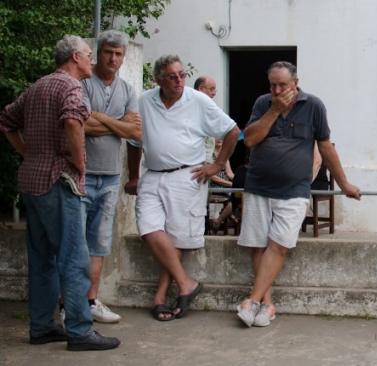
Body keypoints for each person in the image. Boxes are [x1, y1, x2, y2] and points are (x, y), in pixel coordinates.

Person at [0, 35, 120, 351]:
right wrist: (79, 162)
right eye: (88, 55)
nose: (92, 61)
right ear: (75, 57)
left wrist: (27, 152)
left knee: (42, 258)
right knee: (74, 258)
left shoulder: (38, 86)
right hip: (59, 180)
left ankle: (42, 327)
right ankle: (80, 330)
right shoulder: (71, 87)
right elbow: (71, 120)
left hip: (31, 181)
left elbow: (6, 120)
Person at [236, 61, 361, 327]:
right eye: (273, 85)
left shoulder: (313, 106)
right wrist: (274, 110)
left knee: (279, 244)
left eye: (283, 85)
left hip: (294, 189)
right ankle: (266, 305)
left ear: (295, 83)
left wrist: (344, 183)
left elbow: (326, 148)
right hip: (258, 185)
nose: (278, 90)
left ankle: (252, 300)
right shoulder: (263, 103)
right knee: (258, 245)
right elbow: (249, 139)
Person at [127, 55, 239, 321]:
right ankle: (187, 284)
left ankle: (160, 296)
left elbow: (232, 130)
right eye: (171, 76)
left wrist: (216, 165)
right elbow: (134, 142)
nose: (178, 81)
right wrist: (133, 176)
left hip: (187, 176)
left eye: (181, 75)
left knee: (175, 238)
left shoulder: (197, 100)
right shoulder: (145, 101)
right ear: (158, 79)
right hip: (152, 175)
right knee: (149, 228)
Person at [78, 29, 142, 323]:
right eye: (108, 52)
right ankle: (70, 303)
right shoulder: (82, 82)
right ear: (98, 52)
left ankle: (90, 300)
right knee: (75, 241)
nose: (113, 59)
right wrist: (118, 123)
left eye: (118, 54)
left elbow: (135, 132)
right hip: (80, 173)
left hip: (111, 176)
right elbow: (79, 125)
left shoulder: (127, 89)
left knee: (99, 242)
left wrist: (99, 118)